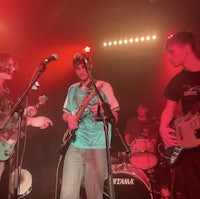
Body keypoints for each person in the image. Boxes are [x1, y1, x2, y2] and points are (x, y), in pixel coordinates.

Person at [60, 53, 120, 199]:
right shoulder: (72, 88)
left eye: (84, 67)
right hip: (75, 144)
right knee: (67, 193)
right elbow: (65, 114)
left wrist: (103, 111)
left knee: (94, 193)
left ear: (91, 66)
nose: (81, 71)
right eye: (77, 68)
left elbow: (115, 117)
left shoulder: (104, 86)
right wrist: (69, 119)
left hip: (97, 147)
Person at [0, 52, 53, 195]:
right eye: (9, 65)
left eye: (14, 66)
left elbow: (9, 116)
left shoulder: (5, 92)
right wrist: (31, 121)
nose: (13, 69)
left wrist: (24, 113)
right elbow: (2, 120)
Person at [159, 31, 200, 199]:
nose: (168, 57)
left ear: (187, 48)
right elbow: (169, 110)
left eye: (172, 51)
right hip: (190, 145)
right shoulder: (176, 81)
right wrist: (162, 128)